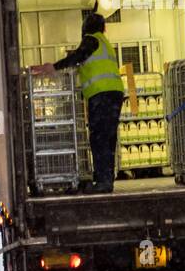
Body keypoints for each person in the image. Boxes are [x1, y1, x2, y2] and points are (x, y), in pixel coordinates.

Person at [30, 13, 124, 194]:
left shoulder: (91, 40)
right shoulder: (104, 42)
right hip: (114, 93)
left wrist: (54, 67)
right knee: (108, 138)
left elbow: (78, 56)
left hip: (101, 94)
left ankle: (104, 181)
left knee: (98, 138)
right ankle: (106, 178)